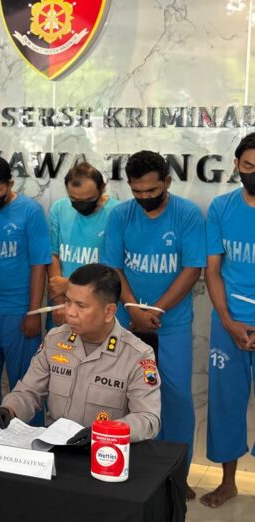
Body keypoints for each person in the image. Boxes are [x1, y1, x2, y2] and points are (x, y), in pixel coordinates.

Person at [101, 150, 205, 498]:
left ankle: (177, 478)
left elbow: (192, 269)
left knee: (175, 400)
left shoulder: (187, 214)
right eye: (137, 191)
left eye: (152, 190)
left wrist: (155, 311)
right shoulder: (120, 215)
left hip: (171, 325)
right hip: (127, 323)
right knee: (125, 399)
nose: (145, 197)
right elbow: (113, 268)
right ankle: (136, 473)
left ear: (167, 182)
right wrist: (133, 309)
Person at [0, 264, 161, 444]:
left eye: (81, 306)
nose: (69, 312)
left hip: (104, 452)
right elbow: (29, 392)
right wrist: (9, 410)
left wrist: (104, 433)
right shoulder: (54, 340)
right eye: (68, 302)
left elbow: (147, 418)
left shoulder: (138, 355)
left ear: (109, 312)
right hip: (55, 450)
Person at [0, 155, 51, 417]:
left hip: (18, 312)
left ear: (10, 184)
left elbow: (39, 265)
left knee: (25, 385)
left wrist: (33, 312)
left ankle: (27, 437)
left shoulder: (30, 211)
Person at [201, 133, 255, 508]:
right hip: (229, 323)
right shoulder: (221, 208)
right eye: (249, 166)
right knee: (225, 404)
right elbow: (213, 271)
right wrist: (227, 320)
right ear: (236, 165)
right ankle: (228, 482)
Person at [47, 162, 119, 326]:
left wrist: (70, 285)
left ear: (102, 188)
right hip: (63, 303)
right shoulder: (59, 208)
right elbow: (53, 254)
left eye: (89, 199)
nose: (82, 204)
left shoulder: (116, 212)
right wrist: (59, 301)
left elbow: (115, 267)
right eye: (74, 199)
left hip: (99, 305)